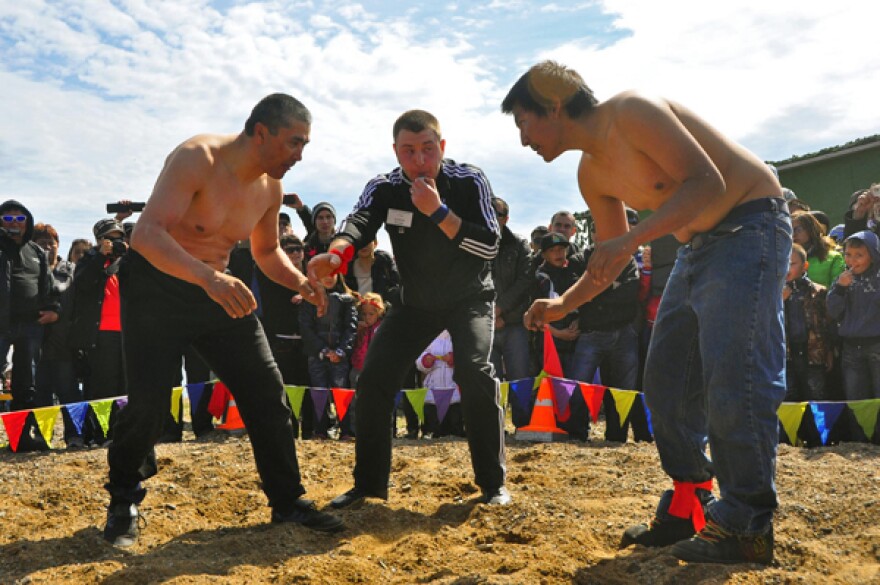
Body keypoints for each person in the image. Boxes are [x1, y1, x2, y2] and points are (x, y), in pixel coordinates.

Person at [503, 60, 790, 564]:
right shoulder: (589, 172)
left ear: (552, 105)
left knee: (733, 375)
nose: (524, 138)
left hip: (751, 224)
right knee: (665, 383)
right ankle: (690, 503)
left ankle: (747, 521)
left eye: (523, 121)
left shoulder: (633, 110)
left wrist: (635, 238)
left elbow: (709, 182)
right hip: (697, 246)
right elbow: (610, 259)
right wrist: (563, 304)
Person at [101, 93, 343, 548]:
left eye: (304, 145)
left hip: (219, 289)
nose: (300, 155)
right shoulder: (198, 157)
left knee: (267, 392)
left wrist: (301, 284)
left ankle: (287, 500)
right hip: (157, 288)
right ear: (261, 132)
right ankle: (122, 498)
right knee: (149, 406)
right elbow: (148, 233)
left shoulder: (269, 187)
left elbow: (266, 251)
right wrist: (208, 278)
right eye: (294, 142)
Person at [309, 109, 509, 509]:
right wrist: (336, 253)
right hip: (415, 301)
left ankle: (493, 483)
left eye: (428, 150)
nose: (419, 161)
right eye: (409, 151)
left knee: (474, 370)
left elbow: (490, 244)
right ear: (396, 151)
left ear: (443, 147)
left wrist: (438, 212)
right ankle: (368, 485)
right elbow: (359, 220)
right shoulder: (385, 187)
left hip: (469, 296)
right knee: (374, 377)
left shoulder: (469, 180)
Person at [69, 219, 129, 446]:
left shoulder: (126, 261)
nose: (115, 242)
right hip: (100, 335)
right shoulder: (90, 260)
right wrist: (99, 257)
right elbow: (82, 284)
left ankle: (119, 432)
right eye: (110, 238)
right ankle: (100, 434)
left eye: (119, 237)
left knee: (124, 386)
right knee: (103, 386)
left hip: (126, 333)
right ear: (99, 240)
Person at [0, 200, 59, 413]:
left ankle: (22, 438)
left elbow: (49, 288)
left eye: (19, 218)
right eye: (7, 218)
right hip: (1, 324)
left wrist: (54, 310)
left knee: (27, 386)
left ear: (27, 222)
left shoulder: (36, 252)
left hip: (30, 326)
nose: (13, 223)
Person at [32, 223, 83, 446]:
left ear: (58, 245)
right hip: (36, 346)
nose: (47, 248)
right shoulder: (28, 271)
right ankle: (43, 437)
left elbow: (76, 306)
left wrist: (59, 317)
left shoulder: (69, 269)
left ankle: (75, 436)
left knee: (69, 393)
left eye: (51, 243)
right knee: (40, 395)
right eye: (41, 243)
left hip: (65, 344)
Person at [299, 272, 357, 438]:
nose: (328, 277)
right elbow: (306, 328)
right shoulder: (309, 300)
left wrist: (341, 351)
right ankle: (321, 430)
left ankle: (346, 430)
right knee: (319, 392)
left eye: (333, 274)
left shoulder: (347, 300)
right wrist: (323, 350)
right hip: (317, 354)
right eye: (324, 274)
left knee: (341, 392)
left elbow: (350, 328)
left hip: (340, 355)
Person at [826, 230, 880, 403]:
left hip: (876, 345)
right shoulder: (842, 279)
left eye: (859, 255)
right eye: (848, 254)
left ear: (873, 256)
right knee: (856, 401)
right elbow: (833, 311)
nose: (852, 260)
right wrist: (840, 289)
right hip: (850, 348)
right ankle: (859, 431)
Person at [489, 197, 533, 382]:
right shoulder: (471, 244)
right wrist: (490, 314)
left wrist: (499, 310)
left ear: (506, 218)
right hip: (484, 326)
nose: (492, 217)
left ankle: (521, 413)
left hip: (515, 325)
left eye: (498, 214)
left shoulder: (519, 245)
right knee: (488, 385)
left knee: (520, 383)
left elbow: (525, 280)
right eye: (488, 212)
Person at [783, 244, 833, 402]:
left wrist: (830, 351)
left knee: (816, 399)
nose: (786, 268)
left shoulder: (818, 292)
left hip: (813, 355)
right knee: (789, 402)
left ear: (805, 266)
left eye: (792, 264)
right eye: (783, 263)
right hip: (786, 357)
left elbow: (827, 325)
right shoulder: (772, 293)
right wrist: (778, 301)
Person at [417, 330, 465, 438]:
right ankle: (430, 431)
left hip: (453, 387)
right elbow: (419, 358)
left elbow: (467, 355)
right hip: (432, 388)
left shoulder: (458, 335)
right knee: (433, 424)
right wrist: (426, 361)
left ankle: (455, 431)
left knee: (455, 421)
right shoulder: (428, 335)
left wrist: (454, 358)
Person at [791, 211, 845, 287]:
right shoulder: (783, 259)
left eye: (798, 229)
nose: (793, 234)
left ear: (810, 229)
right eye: (789, 230)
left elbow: (838, 290)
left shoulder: (834, 258)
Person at [344, 239, 401, 305]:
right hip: (354, 311)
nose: (363, 246)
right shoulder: (348, 266)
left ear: (375, 243)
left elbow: (396, 285)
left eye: (367, 241)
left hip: (382, 310)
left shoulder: (384, 260)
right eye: (359, 242)